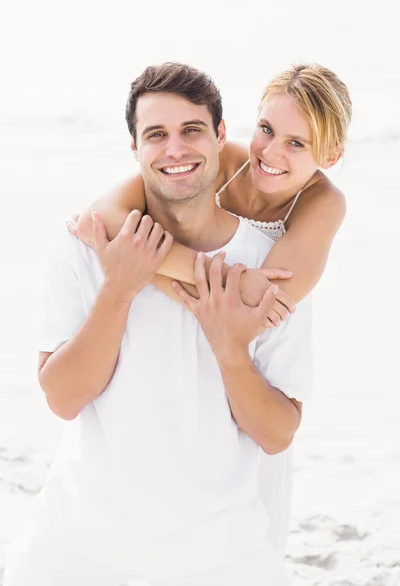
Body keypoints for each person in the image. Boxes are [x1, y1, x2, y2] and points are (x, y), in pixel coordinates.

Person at [3, 63, 315, 586]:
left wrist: (231, 349)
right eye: (156, 135)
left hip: (222, 558)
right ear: (134, 149)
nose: (175, 149)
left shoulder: (267, 267)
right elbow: (62, 399)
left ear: (220, 136)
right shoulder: (85, 245)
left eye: (191, 130)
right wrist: (120, 289)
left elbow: (278, 433)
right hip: (76, 550)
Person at [70, 62, 352, 554]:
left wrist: (143, 266)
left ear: (330, 154)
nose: (272, 152)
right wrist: (144, 263)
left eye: (297, 144)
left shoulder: (323, 203)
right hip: (173, 355)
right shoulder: (223, 159)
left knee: (247, 529)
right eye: (267, 129)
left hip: (248, 363)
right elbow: (101, 217)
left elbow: (262, 300)